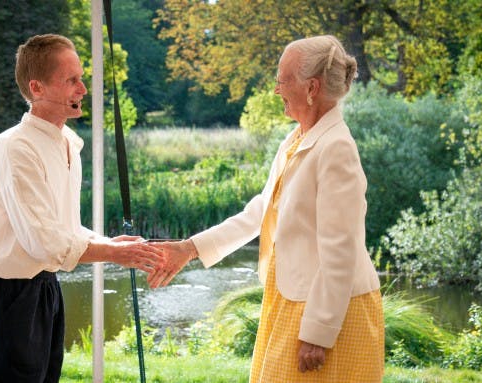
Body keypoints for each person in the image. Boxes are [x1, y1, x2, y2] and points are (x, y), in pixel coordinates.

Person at [148, 35, 384, 382]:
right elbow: (261, 211)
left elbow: (341, 250)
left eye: (283, 79)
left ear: (312, 88)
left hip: (332, 312)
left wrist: (319, 333)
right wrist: (189, 249)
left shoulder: (336, 148)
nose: (276, 90)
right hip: (293, 300)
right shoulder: (297, 139)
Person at [0, 34, 165, 383]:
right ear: (36, 88)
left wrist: (109, 243)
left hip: (44, 288)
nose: (83, 89)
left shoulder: (68, 142)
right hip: (5, 296)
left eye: (82, 78)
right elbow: (43, 242)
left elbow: (61, 227)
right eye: (71, 80)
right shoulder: (15, 149)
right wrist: (113, 254)